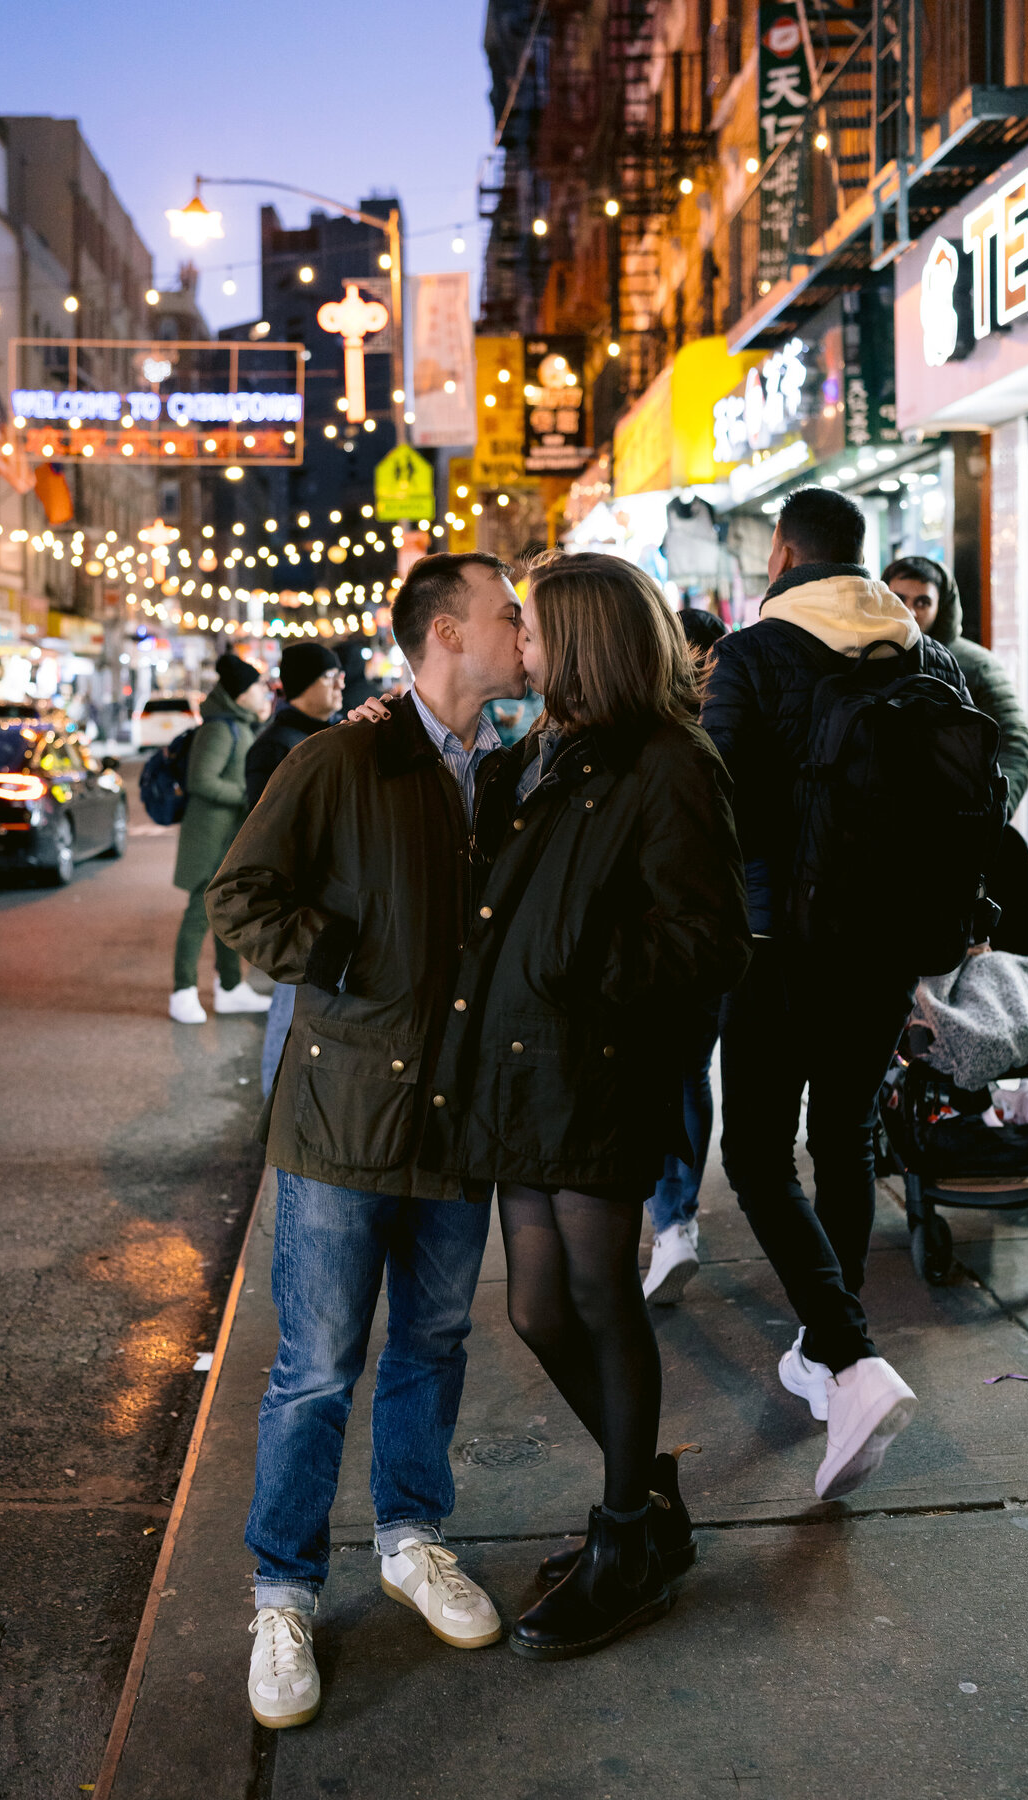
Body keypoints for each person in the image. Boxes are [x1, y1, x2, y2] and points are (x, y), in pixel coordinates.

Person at [206, 552, 527, 1729]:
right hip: (342, 1123)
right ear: (447, 634)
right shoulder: (341, 756)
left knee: (433, 1344)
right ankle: (283, 1590)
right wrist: (345, 961)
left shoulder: (507, 770)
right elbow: (242, 898)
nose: (525, 636)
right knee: (314, 1367)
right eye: (509, 618)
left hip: (456, 1123)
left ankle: (410, 1536)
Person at [416, 555, 751, 1660]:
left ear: (585, 640)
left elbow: (703, 940)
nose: (522, 643)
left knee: (600, 1297)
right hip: (524, 1073)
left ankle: (626, 1542)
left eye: (537, 627)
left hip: (599, 1071)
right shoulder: (546, 754)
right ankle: (644, 1499)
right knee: (538, 1313)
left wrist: (577, 966)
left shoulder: (668, 761)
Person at [703, 488, 968, 1500]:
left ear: (782, 551)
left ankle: (849, 1359)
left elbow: (714, 805)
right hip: (884, 950)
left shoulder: (756, 651)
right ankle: (823, 1349)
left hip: (777, 947)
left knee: (759, 1158)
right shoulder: (922, 653)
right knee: (847, 1141)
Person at [643, 606, 729, 1305]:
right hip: (726, 930)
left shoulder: (671, 738)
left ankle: (672, 1222)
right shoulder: (720, 724)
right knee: (687, 1071)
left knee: (671, 1070)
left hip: (682, 936)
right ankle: (676, 1220)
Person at [244, 644, 345, 1095]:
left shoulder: (327, 735)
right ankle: (274, 1122)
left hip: (324, 902)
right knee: (289, 1016)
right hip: (301, 909)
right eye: (330, 676)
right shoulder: (279, 746)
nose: (340, 683)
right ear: (305, 685)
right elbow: (275, 839)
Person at [882, 555, 1028, 812]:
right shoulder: (868, 658)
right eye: (899, 600)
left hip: (957, 820)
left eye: (922, 602)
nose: (910, 612)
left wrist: (996, 812)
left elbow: (1016, 742)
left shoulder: (978, 666)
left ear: (940, 606)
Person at [169, 653, 271, 1025]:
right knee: (199, 915)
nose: (265, 692)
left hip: (229, 838)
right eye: (258, 686)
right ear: (241, 693)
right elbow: (201, 781)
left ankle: (230, 988)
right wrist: (247, 794)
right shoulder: (219, 729)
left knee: (228, 912)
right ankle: (182, 991)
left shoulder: (240, 725)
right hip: (210, 838)